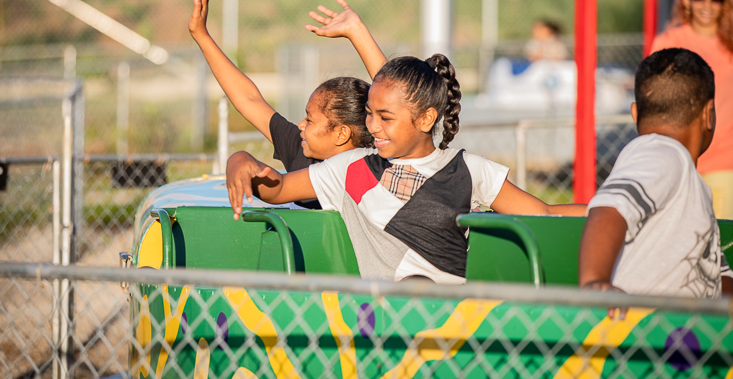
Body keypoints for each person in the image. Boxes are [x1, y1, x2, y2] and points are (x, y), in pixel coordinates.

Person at [226, 54, 586, 284]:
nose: (374, 126)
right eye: (369, 114)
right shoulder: (349, 167)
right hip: (388, 325)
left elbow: (543, 213)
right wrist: (241, 160)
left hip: (460, 323)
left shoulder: (469, 168)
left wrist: (613, 211)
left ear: (427, 118)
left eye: (385, 117)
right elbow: (279, 189)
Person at [188, 0, 386, 209]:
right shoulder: (303, 151)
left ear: (342, 134)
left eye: (310, 119)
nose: (301, 125)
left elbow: (395, 100)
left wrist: (358, 32)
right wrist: (201, 35)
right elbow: (249, 100)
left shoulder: (379, 164)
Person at [579, 48, 733, 299]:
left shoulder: (686, 183)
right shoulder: (662, 153)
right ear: (708, 114)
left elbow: (714, 273)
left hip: (680, 333)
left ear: (635, 113)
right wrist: (595, 281)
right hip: (638, 331)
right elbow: (610, 208)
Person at [651, 0, 733, 219]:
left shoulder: (730, 44)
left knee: (722, 244)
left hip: (726, 162)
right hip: (680, 161)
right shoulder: (668, 43)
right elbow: (655, 100)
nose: (707, 4)